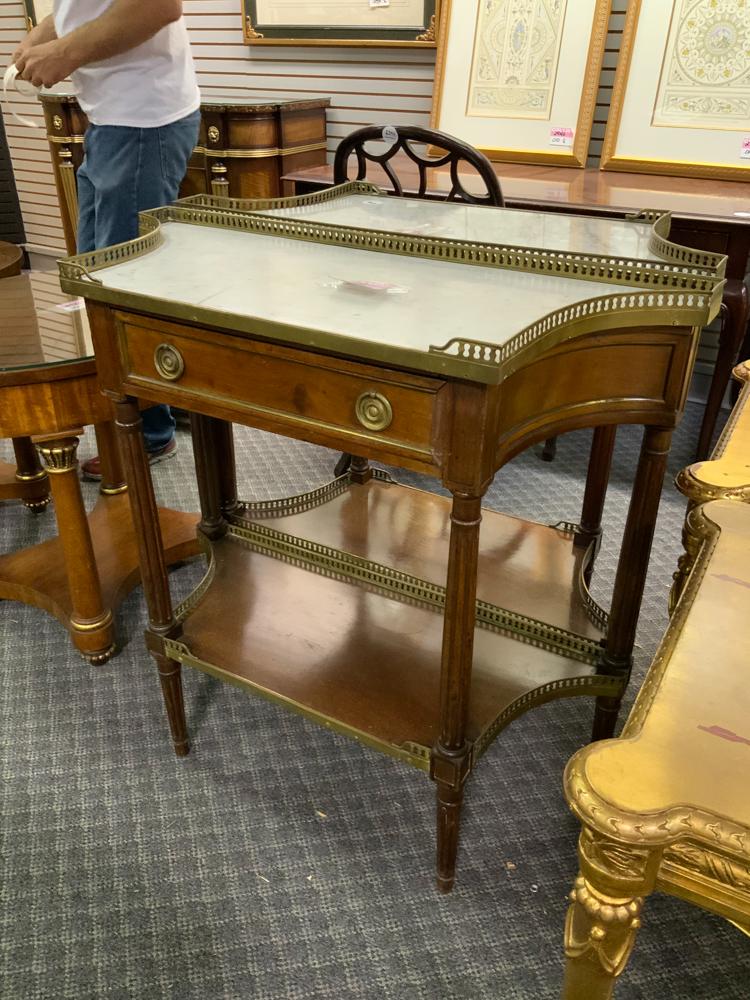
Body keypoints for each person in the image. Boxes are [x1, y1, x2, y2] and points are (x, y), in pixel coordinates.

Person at [13, 0, 200, 479]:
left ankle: (146, 429)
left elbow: (158, 6)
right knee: (97, 275)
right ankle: (162, 403)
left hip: (140, 122)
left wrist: (65, 52)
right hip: (117, 120)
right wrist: (41, 37)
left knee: (118, 287)